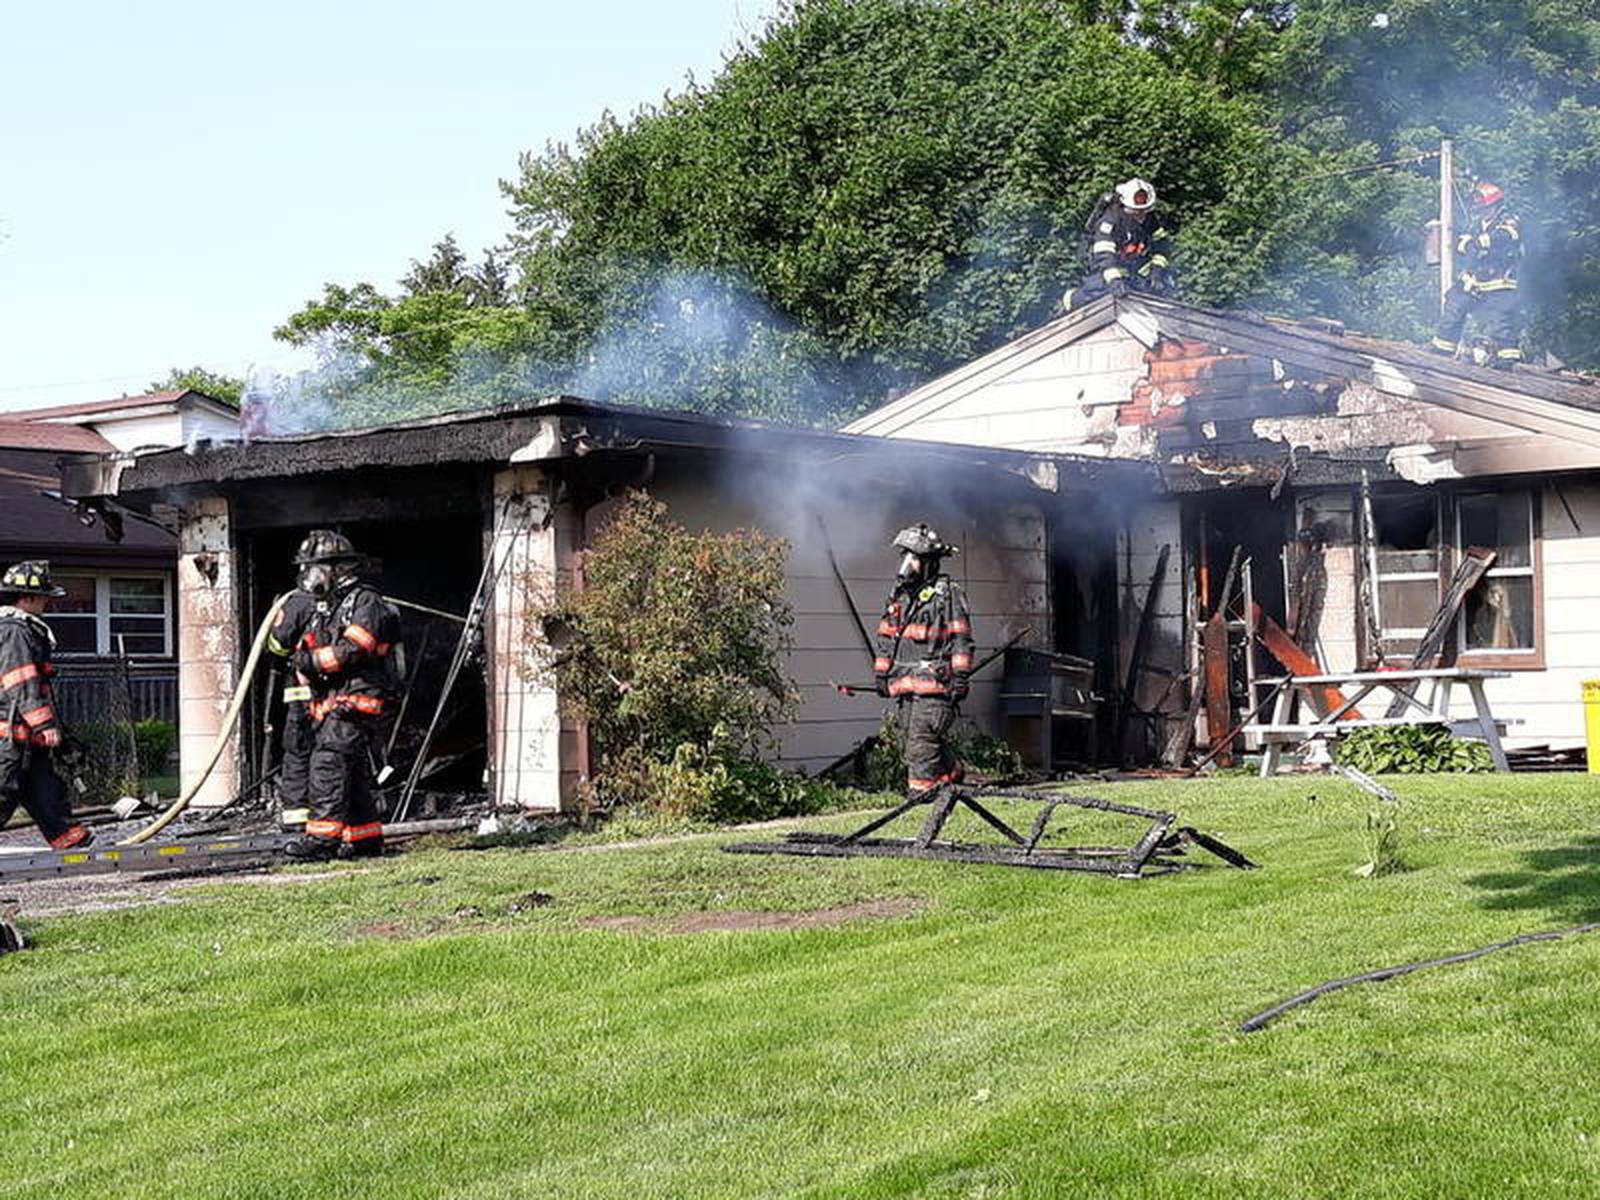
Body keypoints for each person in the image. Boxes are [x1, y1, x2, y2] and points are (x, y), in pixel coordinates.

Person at [284, 531, 402, 860]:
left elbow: (356, 649)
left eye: (314, 567)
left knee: (328, 762)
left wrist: (311, 661)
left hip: (361, 700)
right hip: (340, 700)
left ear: (336, 568)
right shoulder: (331, 606)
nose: (308, 575)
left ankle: (322, 841)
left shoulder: (365, 601)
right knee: (350, 772)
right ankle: (366, 839)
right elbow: (313, 643)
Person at [872, 524, 975, 795]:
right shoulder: (900, 596)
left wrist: (961, 677)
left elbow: (961, 639)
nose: (908, 564)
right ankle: (953, 779)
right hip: (905, 687)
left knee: (920, 746)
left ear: (930, 563)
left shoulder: (948, 595)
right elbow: (886, 636)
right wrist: (882, 675)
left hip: (935, 688)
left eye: (915, 558)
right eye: (905, 556)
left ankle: (920, 801)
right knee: (919, 741)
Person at [0, 561, 90, 850]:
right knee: (3, 790)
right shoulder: (15, 631)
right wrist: (43, 723)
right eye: (44, 598)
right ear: (26, 598)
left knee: (45, 791)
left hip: (25, 737)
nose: (47, 603)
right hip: (9, 735)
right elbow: (20, 679)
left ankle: (70, 841)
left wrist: (55, 729)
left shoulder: (24, 628)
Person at [264, 538, 329, 827]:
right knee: (332, 753)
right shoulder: (349, 602)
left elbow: (277, 645)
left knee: (299, 752)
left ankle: (296, 817)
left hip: (301, 697)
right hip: (337, 694)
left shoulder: (298, 603)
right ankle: (328, 811)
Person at [1430, 181, 1525, 370]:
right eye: (1478, 207)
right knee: (1455, 303)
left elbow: (1508, 235)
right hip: (1475, 280)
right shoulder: (1476, 224)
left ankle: (1507, 362)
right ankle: (1442, 348)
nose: (1480, 210)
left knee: (1501, 322)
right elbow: (1464, 246)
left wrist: (1481, 241)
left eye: (1484, 206)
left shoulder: (1508, 219)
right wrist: (1466, 249)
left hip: (1500, 282)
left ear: (1494, 205)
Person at [1062, 177, 1175, 311]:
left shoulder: (1150, 219)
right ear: (1125, 205)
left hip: (1134, 267)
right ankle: (1072, 298)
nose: (1141, 214)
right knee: (1102, 294)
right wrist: (1114, 281)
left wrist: (1157, 270)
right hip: (1107, 268)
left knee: (1163, 285)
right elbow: (1104, 255)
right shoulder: (1110, 221)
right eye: (1136, 210)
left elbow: (1162, 245)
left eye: (1145, 209)